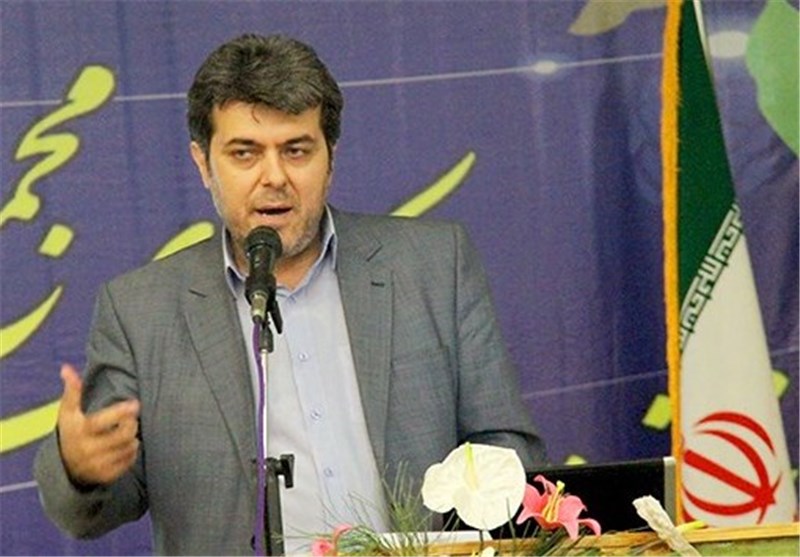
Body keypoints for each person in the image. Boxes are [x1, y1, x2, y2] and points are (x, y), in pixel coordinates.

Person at [34, 33, 547, 555]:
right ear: (203, 163)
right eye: (244, 153)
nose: (274, 177)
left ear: (331, 157)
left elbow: (507, 447)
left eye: (297, 150)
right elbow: (91, 511)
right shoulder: (140, 312)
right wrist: (80, 469)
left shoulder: (434, 265)